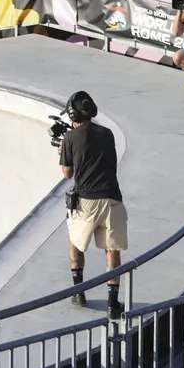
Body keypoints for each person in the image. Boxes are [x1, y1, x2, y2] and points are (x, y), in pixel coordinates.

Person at [58, 91, 128, 318]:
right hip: (111, 197)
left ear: (72, 115)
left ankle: (78, 292)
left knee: (76, 244)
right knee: (112, 250)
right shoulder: (107, 134)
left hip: (86, 201)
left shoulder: (70, 138)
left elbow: (67, 173)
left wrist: (63, 150)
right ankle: (112, 303)